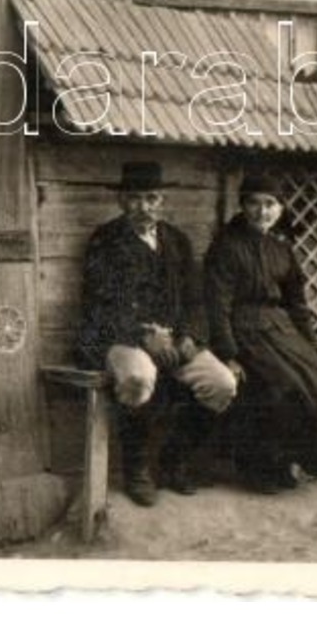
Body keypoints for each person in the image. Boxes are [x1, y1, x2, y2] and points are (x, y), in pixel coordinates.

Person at [76, 161, 238, 506]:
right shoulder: (105, 241)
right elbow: (99, 304)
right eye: (134, 198)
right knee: (137, 377)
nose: (144, 207)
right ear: (121, 201)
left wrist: (188, 337)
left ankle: (173, 460)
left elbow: (196, 300)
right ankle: (137, 469)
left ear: (162, 201)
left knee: (222, 384)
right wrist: (142, 336)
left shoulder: (177, 241)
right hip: (120, 338)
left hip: (176, 340)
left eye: (151, 198)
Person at [205, 172, 317, 493]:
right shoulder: (225, 246)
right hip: (244, 330)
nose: (262, 212)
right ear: (242, 206)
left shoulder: (281, 248)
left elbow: (297, 301)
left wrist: (311, 346)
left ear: (280, 209)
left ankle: (309, 460)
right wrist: (229, 354)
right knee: (278, 386)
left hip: (281, 329)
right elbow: (217, 304)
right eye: (254, 203)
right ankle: (262, 469)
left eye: (270, 204)